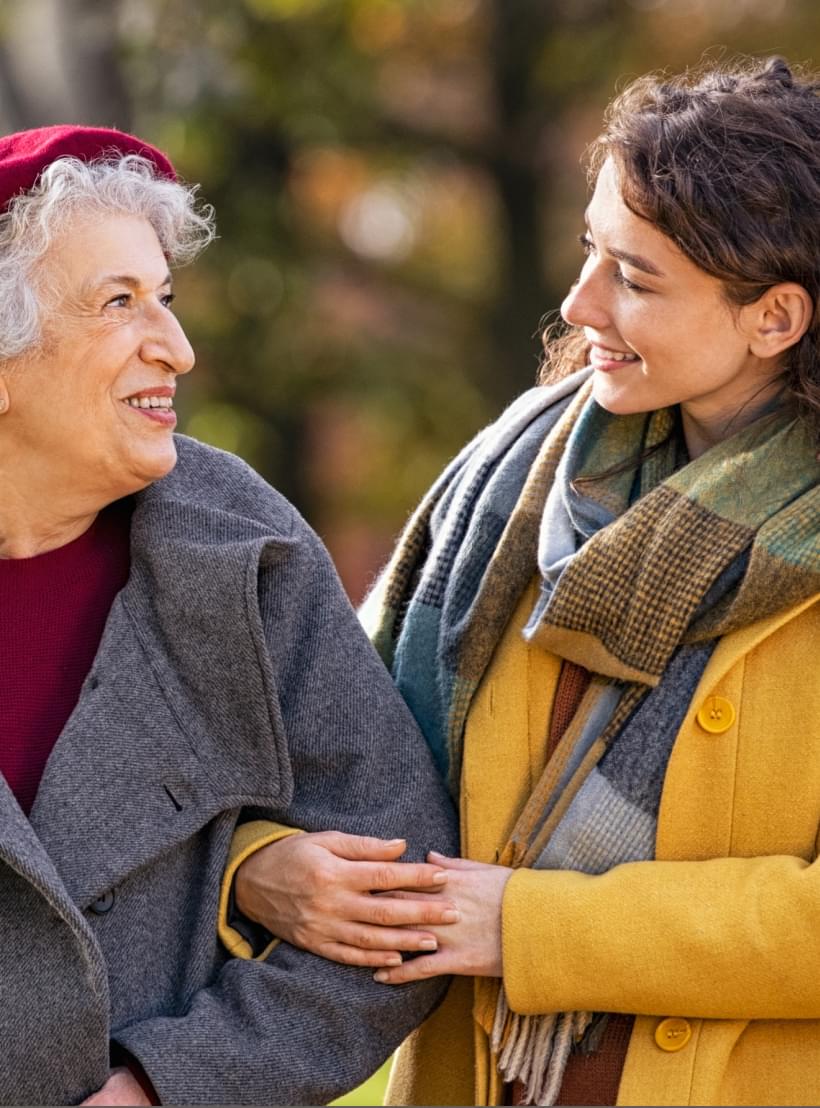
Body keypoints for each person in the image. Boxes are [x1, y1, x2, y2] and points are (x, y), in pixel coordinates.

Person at [228, 56, 820, 1107]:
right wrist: (260, 862)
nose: (579, 301)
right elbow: (325, 748)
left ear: (773, 318)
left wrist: (530, 927)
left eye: (635, 278)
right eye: (592, 249)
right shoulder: (506, 494)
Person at [0, 124, 458, 1108]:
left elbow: (399, 888)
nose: (177, 347)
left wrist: (168, 1088)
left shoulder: (240, 547)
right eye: (119, 303)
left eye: (163, 299)